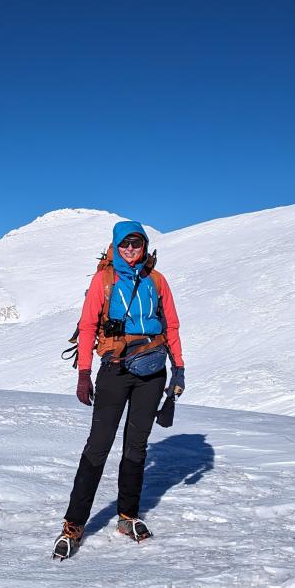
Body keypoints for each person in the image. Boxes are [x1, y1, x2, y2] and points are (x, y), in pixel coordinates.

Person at [53, 220, 185, 560]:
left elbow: (171, 325)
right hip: (115, 370)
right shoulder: (104, 280)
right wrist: (84, 373)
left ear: (144, 246)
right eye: (124, 244)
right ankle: (73, 525)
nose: (130, 249)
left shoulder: (157, 280)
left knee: (136, 447)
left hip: (153, 372)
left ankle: (128, 516)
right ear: (115, 245)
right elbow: (87, 327)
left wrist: (179, 369)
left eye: (136, 244)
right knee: (98, 447)